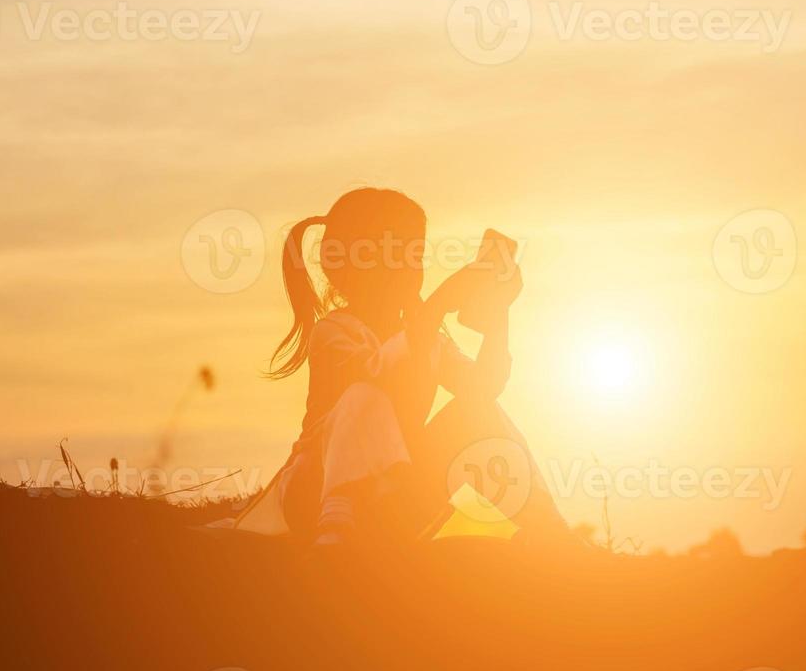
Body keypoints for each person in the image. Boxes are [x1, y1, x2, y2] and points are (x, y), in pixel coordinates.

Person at [232, 187, 565, 544]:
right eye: (392, 257)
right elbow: (377, 375)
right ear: (346, 268)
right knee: (364, 395)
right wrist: (438, 304)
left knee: (480, 410)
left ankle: (548, 532)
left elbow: (485, 387)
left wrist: (498, 311)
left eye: (416, 255)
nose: (409, 269)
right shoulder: (334, 331)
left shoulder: (428, 339)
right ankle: (337, 526)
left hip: (400, 497)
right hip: (314, 495)